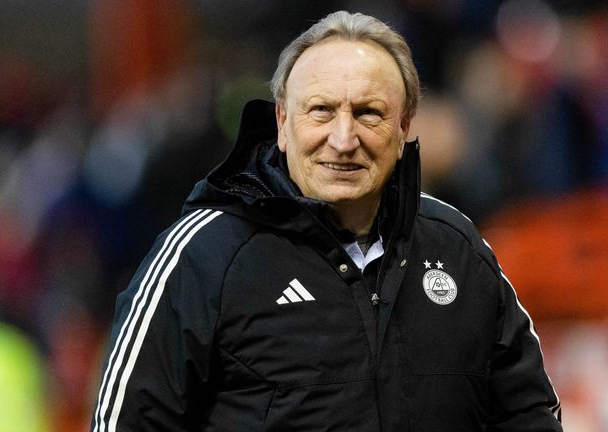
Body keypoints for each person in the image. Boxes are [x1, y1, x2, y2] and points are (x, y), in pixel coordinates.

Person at [91, 11, 562, 431]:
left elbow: (528, 412)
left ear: (403, 128)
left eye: (368, 113)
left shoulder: (456, 246)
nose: (343, 138)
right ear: (281, 122)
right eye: (321, 111)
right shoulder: (203, 256)